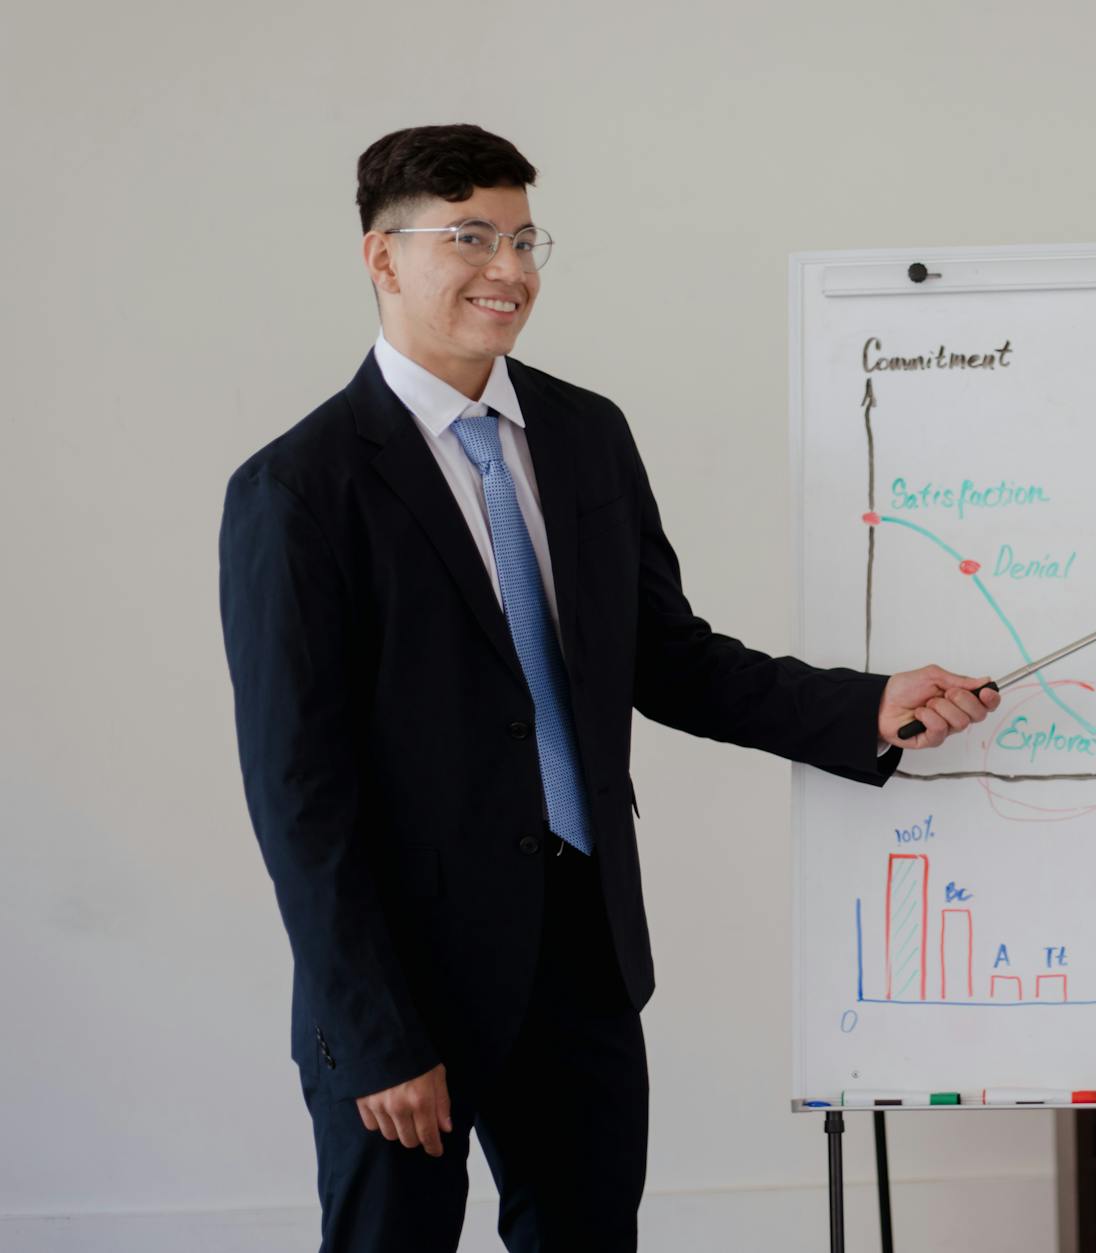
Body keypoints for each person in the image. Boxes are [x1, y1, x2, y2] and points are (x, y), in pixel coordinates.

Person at [216, 122, 998, 1252]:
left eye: (527, 237)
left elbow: (666, 656)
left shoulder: (582, 435)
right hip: (404, 984)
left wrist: (861, 702)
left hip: (580, 953)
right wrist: (372, 1027)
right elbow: (298, 792)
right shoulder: (300, 487)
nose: (511, 268)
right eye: (472, 236)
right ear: (383, 258)